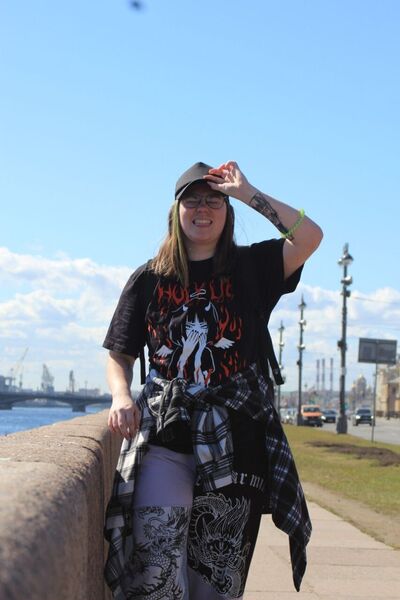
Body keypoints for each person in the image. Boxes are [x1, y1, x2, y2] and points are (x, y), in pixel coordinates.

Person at [103, 160, 323, 600]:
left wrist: (247, 192)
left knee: (216, 586)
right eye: (192, 201)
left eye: (214, 201)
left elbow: (309, 237)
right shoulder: (148, 279)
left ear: (227, 211)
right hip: (165, 439)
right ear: (176, 212)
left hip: (238, 447)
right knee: (157, 576)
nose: (202, 209)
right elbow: (119, 354)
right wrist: (121, 396)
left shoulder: (253, 267)